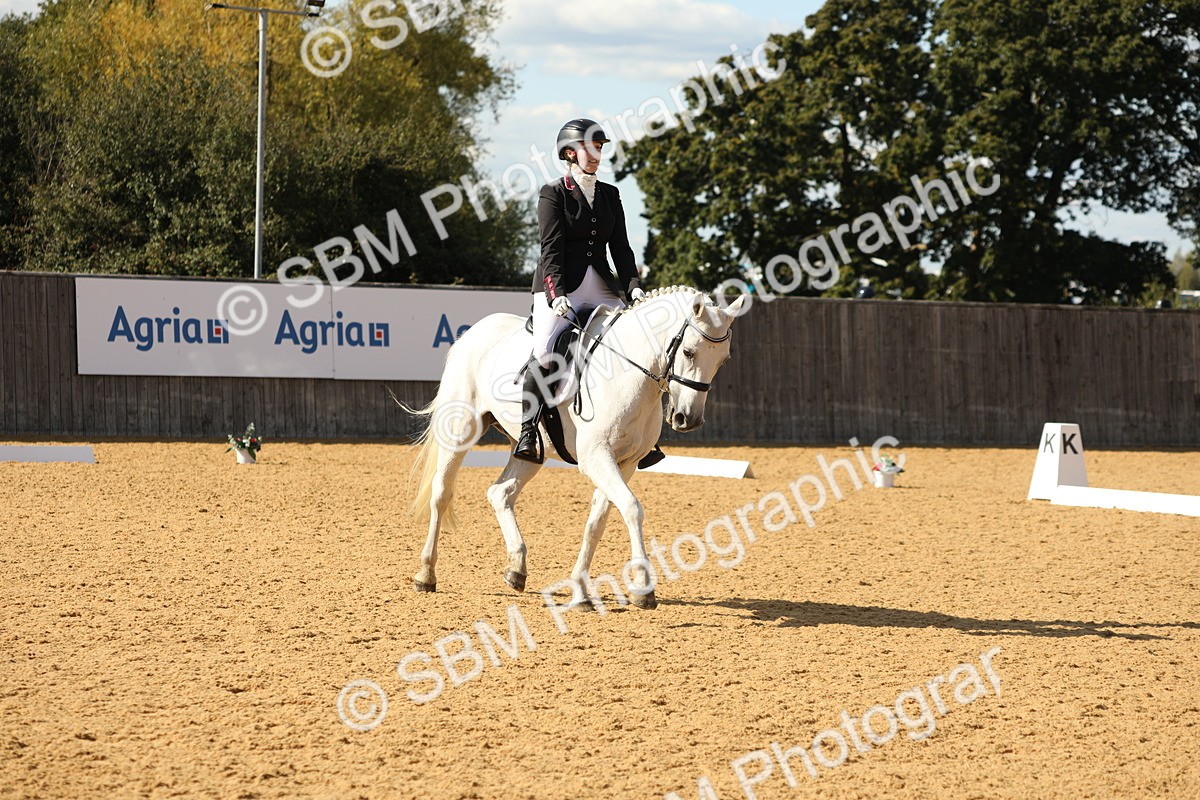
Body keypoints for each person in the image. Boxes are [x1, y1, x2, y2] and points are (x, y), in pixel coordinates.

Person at [514, 118, 661, 466]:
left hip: (601, 285)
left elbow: (621, 248)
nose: (596, 154)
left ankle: (645, 436)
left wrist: (634, 288)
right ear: (570, 153)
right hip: (559, 285)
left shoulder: (610, 194)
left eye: (599, 147)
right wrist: (556, 294)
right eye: (589, 147)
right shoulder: (553, 193)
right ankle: (527, 430)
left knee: (639, 340)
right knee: (545, 351)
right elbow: (550, 250)